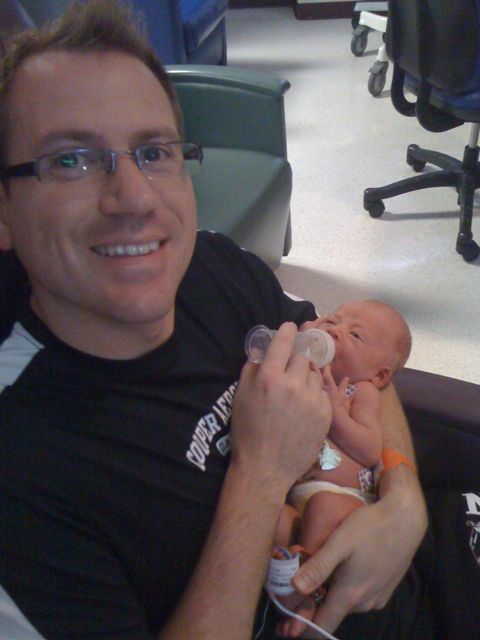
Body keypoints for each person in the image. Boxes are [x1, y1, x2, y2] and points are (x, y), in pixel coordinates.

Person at [0, 2, 429, 639]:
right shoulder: (23, 473)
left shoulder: (214, 265)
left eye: (153, 152)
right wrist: (260, 473)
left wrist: (403, 498)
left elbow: (354, 366)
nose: (134, 198)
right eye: (71, 160)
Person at [272, 300, 413, 637]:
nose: (335, 331)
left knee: (322, 507)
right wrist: (305, 336)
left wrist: (336, 411)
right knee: (272, 519)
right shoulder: (306, 373)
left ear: (379, 375)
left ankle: (307, 595)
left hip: (342, 500)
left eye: (355, 335)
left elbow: (368, 448)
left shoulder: (360, 390)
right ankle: (284, 575)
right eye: (333, 321)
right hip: (298, 499)